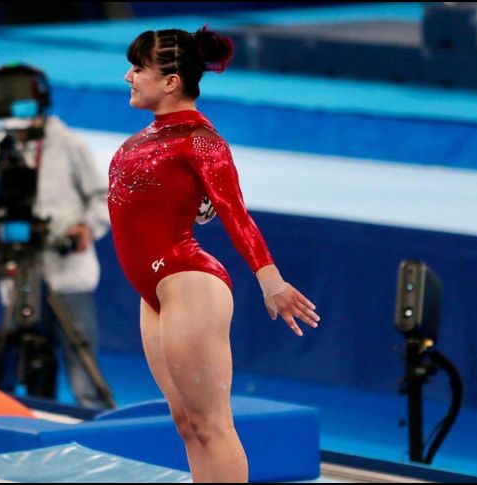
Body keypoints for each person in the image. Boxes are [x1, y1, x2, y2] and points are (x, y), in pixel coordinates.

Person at [108, 27, 321, 482]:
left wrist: (272, 282)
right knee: (187, 424)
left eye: (138, 68)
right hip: (154, 291)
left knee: (212, 425)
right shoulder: (145, 137)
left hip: (187, 280)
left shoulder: (201, 140)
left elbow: (234, 212)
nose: (128, 76)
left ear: (170, 82)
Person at [0, 67, 111, 409]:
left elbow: (103, 197)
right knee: (24, 364)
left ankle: (99, 430)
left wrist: (86, 228)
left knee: (82, 367)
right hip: (16, 275)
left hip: (66, 275)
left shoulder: (69, 145)